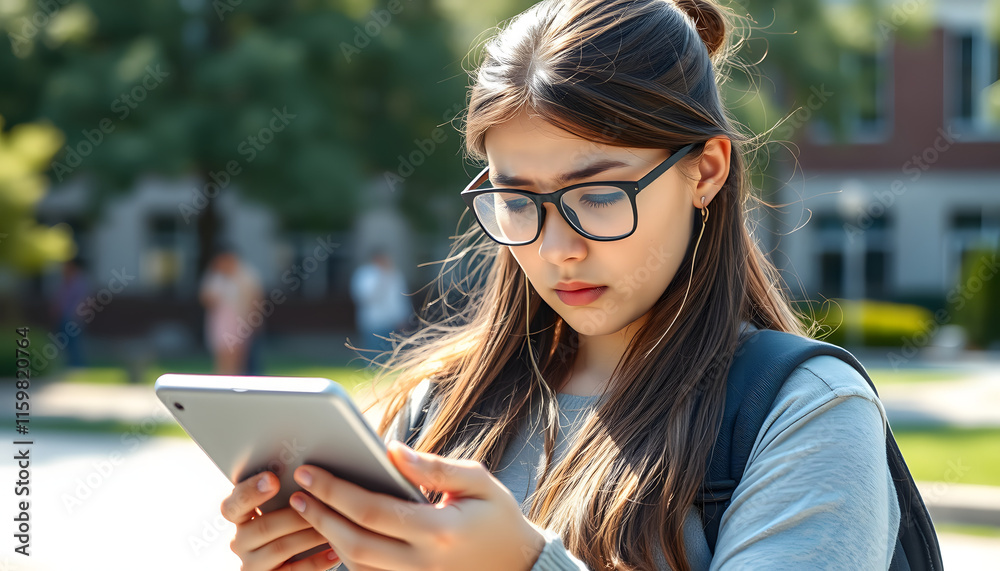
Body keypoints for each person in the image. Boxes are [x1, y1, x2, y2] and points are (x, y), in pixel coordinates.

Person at [219, 1, 900, 569]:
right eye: (517, 199)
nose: (557, 248)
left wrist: (525, 563)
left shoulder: (803, 413)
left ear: (707, 171)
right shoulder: (441, 407)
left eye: (600, 194)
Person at [199, 245, 264, 375]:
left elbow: (256, 298)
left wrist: (254, 320)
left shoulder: (246, 275)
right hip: (221, 320)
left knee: (238, 357)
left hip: (239, 319)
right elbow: (205, 298)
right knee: (222, 355)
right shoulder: (216, 276)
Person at [349, 248, 414, 360]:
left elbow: (400, 297)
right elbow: (366, 297)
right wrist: (382, 278)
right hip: (374, 322)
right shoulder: (365, 274)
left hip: (394, 322)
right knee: (374, 356)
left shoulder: (394, 273)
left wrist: (403, 316)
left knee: (393, 357)